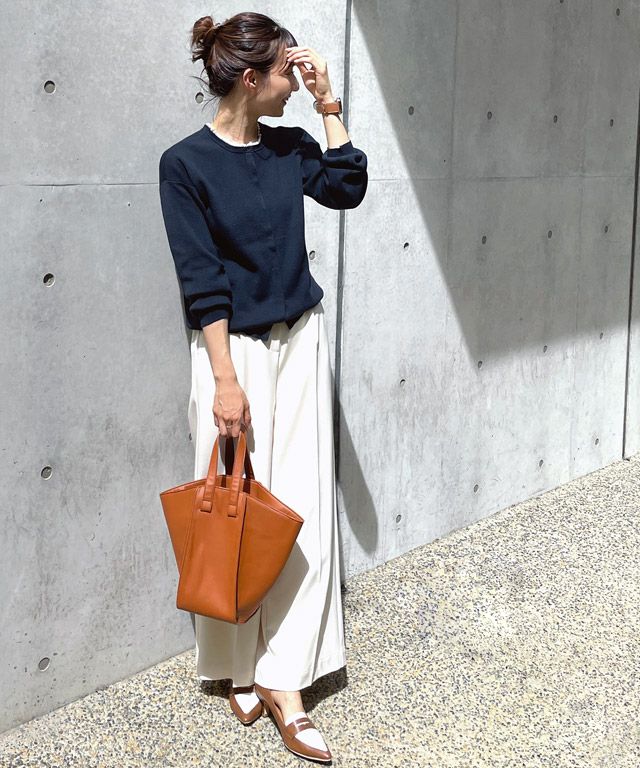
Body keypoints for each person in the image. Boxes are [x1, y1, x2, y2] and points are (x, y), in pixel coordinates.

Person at [158, 11, 368, 763]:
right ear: (251, 79)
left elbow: (346, 188)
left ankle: (286, 682)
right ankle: (234, 665)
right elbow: (201, 279)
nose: (294, 81)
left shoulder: (289, 147)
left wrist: (328, 102)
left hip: (300, 340)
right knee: (236, 511)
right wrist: (224, 380)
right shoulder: (184, 165)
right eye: (287, 72)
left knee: (298, 509)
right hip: (233, 354)